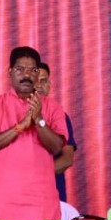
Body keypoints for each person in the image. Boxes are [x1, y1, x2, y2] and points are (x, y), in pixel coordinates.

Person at [0, 47, 68, 220]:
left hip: (40, 205)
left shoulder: (53, 108)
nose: (26, 75)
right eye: (20, 69)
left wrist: (39, 119)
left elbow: (57, 147)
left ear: (38, 74)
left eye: (32, 70)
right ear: (10, 72)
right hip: (0, 204)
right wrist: (20, 126)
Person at [36, 62, 78, 203]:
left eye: (43, 81)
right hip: (20, 195)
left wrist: (34, 175)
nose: (39, 85)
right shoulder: (14, 115)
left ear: (49, 85)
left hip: (53, 196)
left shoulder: (62, 117)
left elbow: (67, 159)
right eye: (35, 81)